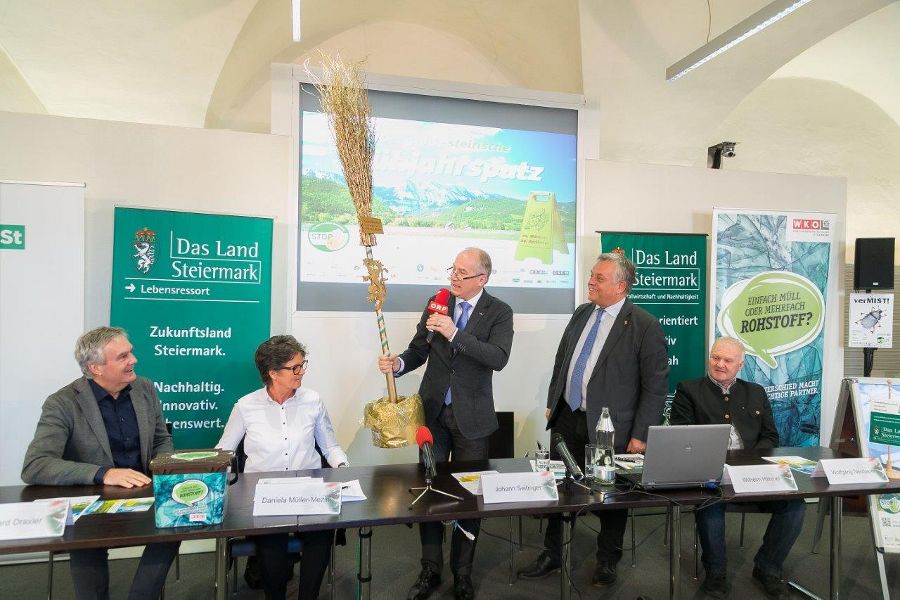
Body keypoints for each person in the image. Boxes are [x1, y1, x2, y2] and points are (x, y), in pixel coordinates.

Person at [518, 252, 669, 586]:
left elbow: (655, 388)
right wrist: (552, 400)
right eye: (591, 275)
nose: (591, 281)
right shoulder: (583, 313)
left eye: (599, 278)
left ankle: (607, 560)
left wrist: (641, 435)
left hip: (608, 428)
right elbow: (564, 358)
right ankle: (553, 553)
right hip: (567, 417)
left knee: (609, 496)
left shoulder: (644, 325)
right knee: (559, 488)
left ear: (621, 286)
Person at [378, 247, 514, 600]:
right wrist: (400, 365)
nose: (453, 277)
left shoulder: (499, 312)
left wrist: (455, 334)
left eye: (462, 273)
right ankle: (430, 569)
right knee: (429, 489)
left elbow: (498, 358)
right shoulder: (437, 300)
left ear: (481, 279)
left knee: (470, 496)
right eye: (452, 269)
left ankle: (463, 572)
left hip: (473, 418)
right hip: (434, 414)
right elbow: (418, 349)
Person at [21, 326, 179, 600]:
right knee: (86, 540)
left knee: (177, 521)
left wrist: (161, 470)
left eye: (130, 353)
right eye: (123, 356)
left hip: (144, 493)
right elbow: (35, 464)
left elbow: (160, 440)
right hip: (92, 501)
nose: (134, 360)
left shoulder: (144, 388)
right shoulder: (63, 403)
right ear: (95, 367)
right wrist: (103, 474)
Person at [670, 336, 805, 600]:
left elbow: (770, 437)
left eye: (727, 360)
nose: (719, 364)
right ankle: (716, 573)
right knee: (710, 502)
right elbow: (680, 436)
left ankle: (767, 567)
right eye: (715, 357)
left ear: (740, 365)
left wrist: (750, 462)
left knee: (795, 505)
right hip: (710, 474)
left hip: (753, 472)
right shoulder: (688, 389)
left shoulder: (755, 392)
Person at [217, 335, 348, 600]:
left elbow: (330, 447)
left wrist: (344, 467)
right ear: (273, 372)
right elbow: (224, 452)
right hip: (264, 494)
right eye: (294, 367)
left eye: (302, 365)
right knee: (271, 539)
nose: (301, 372)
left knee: (321, 533)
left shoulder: (313, 401)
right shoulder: (246, 406)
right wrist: (227, 485)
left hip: (309, 488)